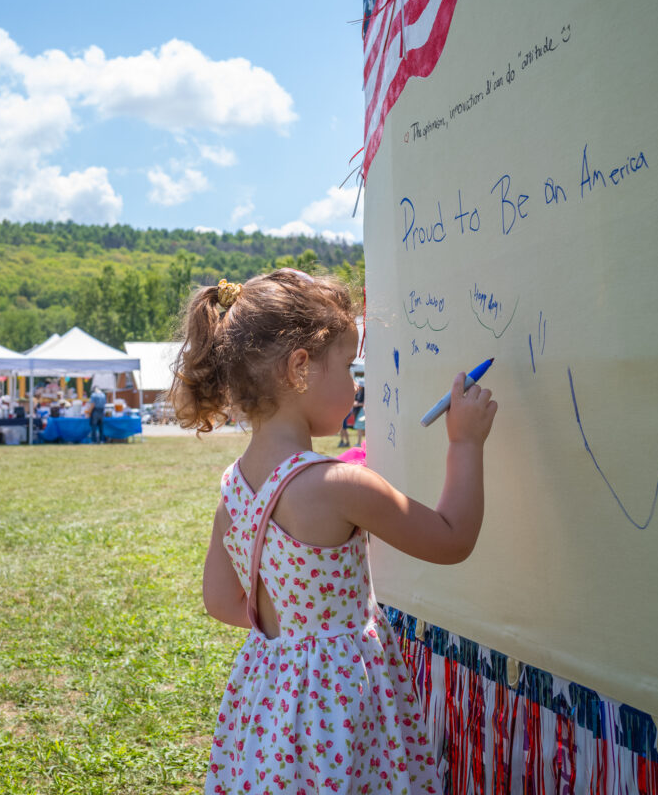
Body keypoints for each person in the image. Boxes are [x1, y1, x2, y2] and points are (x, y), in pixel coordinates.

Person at [169, 269, 497, 793]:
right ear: (300, 367)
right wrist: (465, 443)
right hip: (341, 703)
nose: (356, 386)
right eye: (349, 366)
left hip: (269, 700)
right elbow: (452, 537)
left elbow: (220, 601)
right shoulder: (339, 483)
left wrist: (293, 636)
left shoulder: (233, 487)